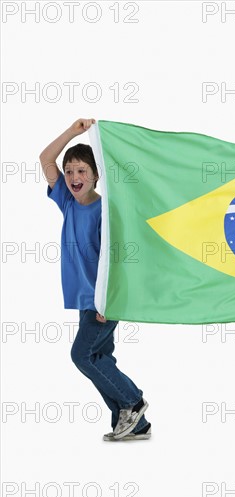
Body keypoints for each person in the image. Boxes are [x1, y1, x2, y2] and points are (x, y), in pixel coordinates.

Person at [40, 118, 151, 442]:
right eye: (70, 171)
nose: (74, 177)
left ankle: (133, 401)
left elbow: (116, 260)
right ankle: (132, 423)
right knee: (101, 357)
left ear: (96, 175)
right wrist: (73, 132)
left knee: (82, 355)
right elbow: (46, 159)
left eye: (82, 171)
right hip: (85, 297)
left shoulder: (107, 211)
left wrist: (108, 299)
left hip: (103, 299)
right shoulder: (67, 202)